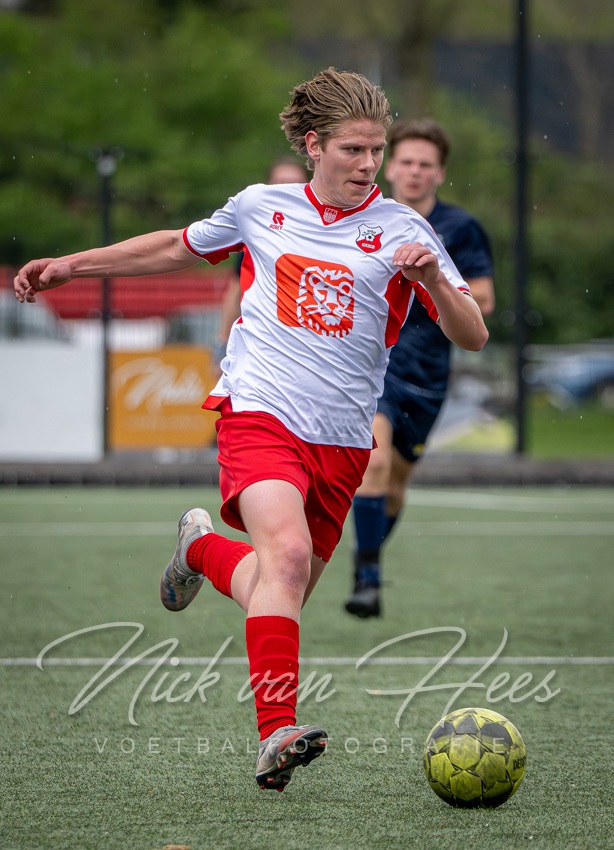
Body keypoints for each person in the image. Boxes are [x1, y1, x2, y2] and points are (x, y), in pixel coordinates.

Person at [14, 69, 488, 792]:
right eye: (353, 150)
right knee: (287, 556)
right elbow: (174, 247)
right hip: (258, 412)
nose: (369, 165)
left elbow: (473, 333)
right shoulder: (260, 207)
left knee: (278, 584)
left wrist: (428, 283)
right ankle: (276, 733)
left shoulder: (405, 229)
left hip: (342, 440)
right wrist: (72, 266)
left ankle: (199, 548)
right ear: (313, 145)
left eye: (376, 150)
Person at [344, 118, 495, 619]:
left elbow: (484, 300)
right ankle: (367, 580)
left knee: (396, 484)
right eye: (406, 161)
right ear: (390, 168)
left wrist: (433, 281)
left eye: (425, 164)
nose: (414, 171)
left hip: (427, 374)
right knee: (374, 462)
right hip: (374, 366)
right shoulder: (366, 221)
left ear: (440, 173)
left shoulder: (460, 228)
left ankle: (366, 553)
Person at [214, 157, 308, 368]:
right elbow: (236, 289)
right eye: (281, 184)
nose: (287, 191)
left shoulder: (328, 233)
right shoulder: (255, 234)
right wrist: (221, 342)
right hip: (263, 352)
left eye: (295, 184)